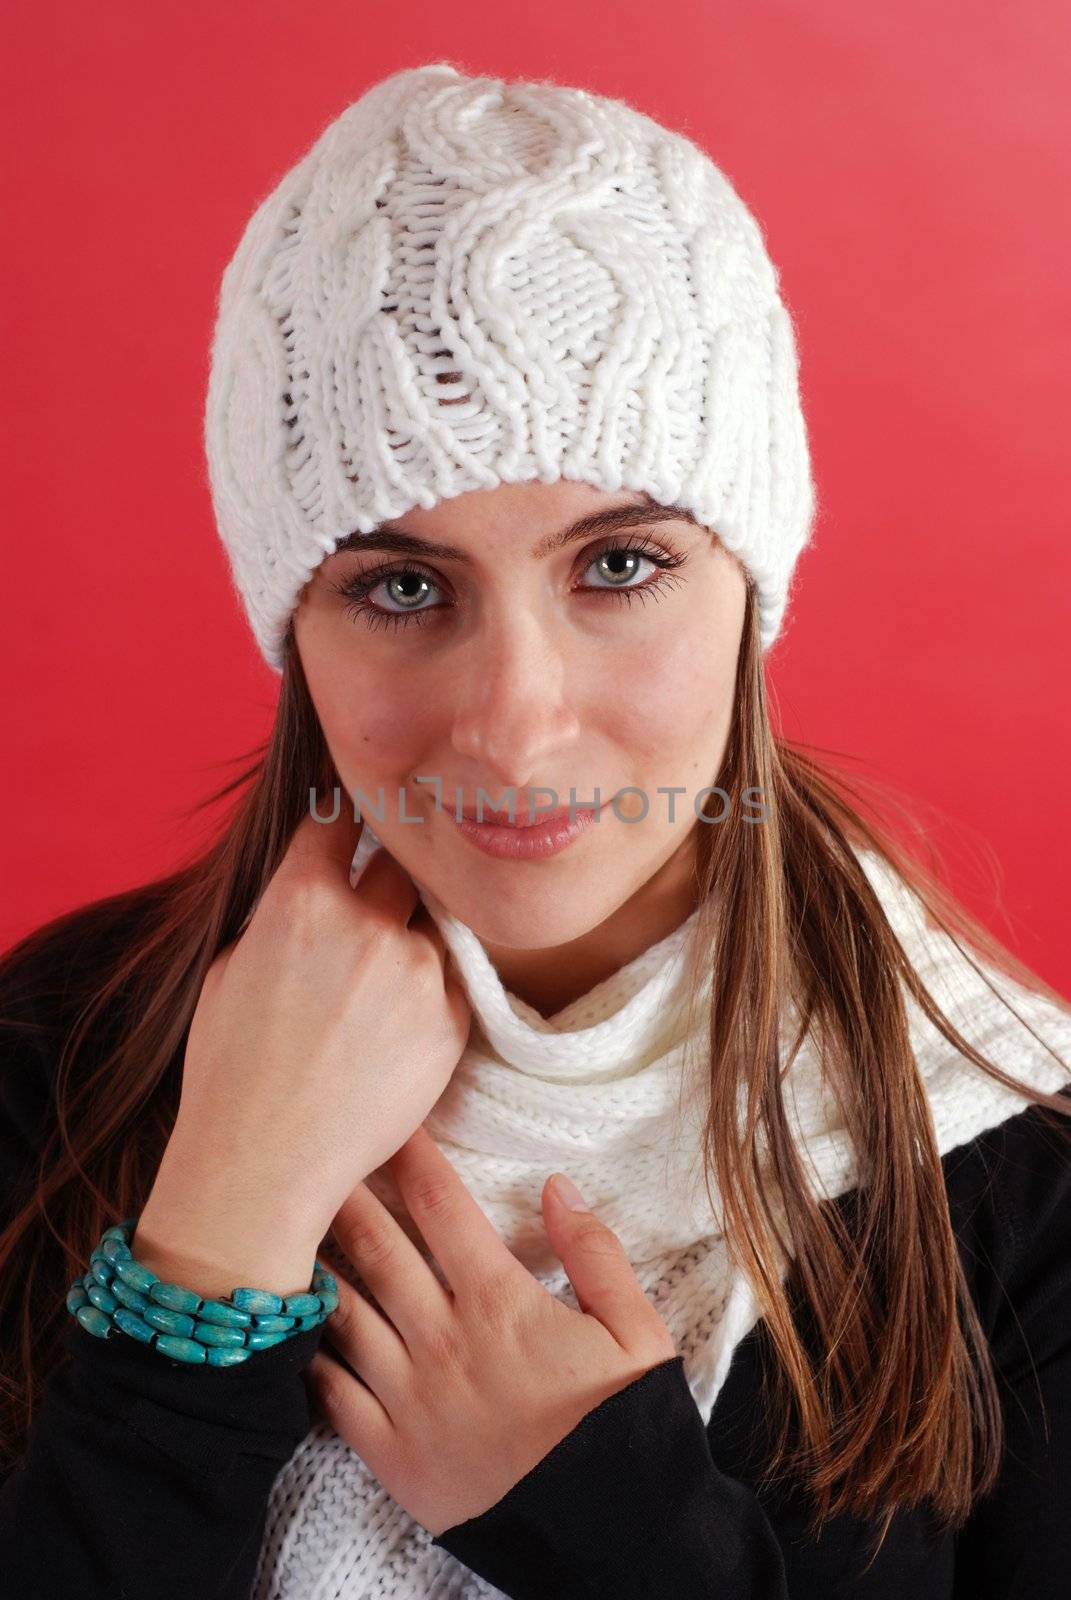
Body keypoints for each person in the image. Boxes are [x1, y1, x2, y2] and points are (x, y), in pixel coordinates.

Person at [1, 60, 1069, 1600]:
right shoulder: (63, 1047)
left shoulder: (1016, 1164)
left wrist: (615, 1529)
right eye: (402, 586)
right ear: (290, 620)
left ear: (752, 588)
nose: (514, 723)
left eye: (621, 566)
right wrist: (215, 1232)